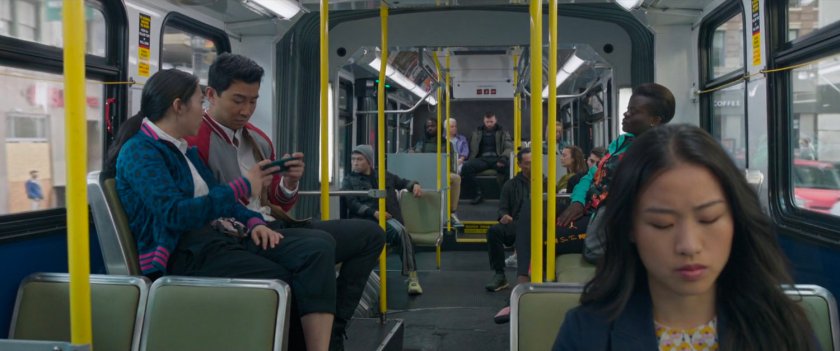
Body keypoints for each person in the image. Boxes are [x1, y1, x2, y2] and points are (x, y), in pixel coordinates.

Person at [108, 69, 336, 351]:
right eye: (199, 103)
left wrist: (253, 221)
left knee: (313, 253)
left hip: (211, 241)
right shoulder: (140, 152)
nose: (203, 111)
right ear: (178, 106)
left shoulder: (183, 151)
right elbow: (174, 214)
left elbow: (218, 196)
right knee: (284, 279)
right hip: (180, 252)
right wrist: (243, 186)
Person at [552, 124, 817, 351]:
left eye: (709, 219)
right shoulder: (587, 334)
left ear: (736, 219)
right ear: (630, 228)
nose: (689, 245)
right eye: (662, 224)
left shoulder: (782, 329)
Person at [185, 53, 384, 351]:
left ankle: (335, 330)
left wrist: (290, 183)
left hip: (272, 225)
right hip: (234, 235)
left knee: (370, 235)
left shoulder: (258, 140)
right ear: (211, 95)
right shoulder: (195, 140)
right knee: (316, 247)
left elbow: (277, 201)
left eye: (253, 101)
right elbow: (205, 206)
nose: (246, 110)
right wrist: (245, 187)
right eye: (238, 100)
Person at [557, 83, 676, 263]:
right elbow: (590, 176)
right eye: (628, 109)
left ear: (655, 120)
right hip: (589, 208)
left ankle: (527, 285)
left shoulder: (655, 154)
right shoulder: (622, 141)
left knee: (539, 236)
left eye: (634, 111)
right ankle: (523, 286)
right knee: (530, 210)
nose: (625, 114)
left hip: (605, 221)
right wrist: (578, 202)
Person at [341, 144, 424, 296]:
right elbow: (352, 203)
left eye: (359, 159)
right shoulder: (348, 181)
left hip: (388, 218)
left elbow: (404, 182)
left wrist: (415, 185)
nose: (355, 163)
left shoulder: (385, 175)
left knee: (402, 233)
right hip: (363, 221)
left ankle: (412, 277)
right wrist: (373, 212)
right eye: (353, 159)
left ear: (369, 161)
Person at [484, 148, 542, 293]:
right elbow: (502, 208)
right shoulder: (510, 185)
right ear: (519, 164)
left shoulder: (545, 182)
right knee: (494, 231)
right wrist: (504, 216)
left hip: (541, 225)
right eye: (527, 163)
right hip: (516, 224)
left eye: (534, 163)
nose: (531, 166)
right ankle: (499, 274)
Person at [412, 117, 463, 225]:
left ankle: (452, 212)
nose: (430, 128)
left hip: (442, 173)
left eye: (432, 126)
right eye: (428, 127)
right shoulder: (421, 144)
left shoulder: (447, 144)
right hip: (424, 173)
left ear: (438, 127)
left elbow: (451, 163)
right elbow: (416, 161)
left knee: (456, 178)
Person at [462, 112, 513, 204]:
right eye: (487, 122)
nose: (489, 124)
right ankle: (478, 193)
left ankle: (504, 196)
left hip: (497, 158)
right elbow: (472, 148)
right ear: (484, 121)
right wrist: (470, 159)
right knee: (466, 167)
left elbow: (509, 147)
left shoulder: (503, 132)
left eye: (491, 121)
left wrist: (503, 158)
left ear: (495, 121)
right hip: (482, 159)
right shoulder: (477, 132)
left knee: (509, 167)